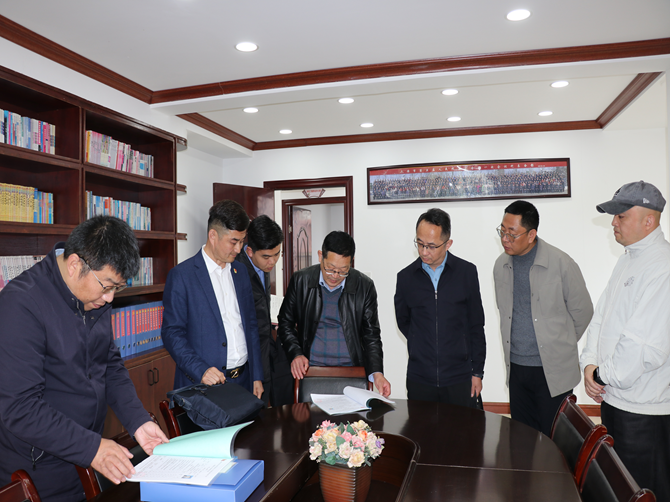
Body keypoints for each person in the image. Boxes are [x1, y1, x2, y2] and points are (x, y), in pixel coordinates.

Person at [0, 216, 168, 502]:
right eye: (107, 286)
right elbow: (20, 408)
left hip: (86, 459)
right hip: (39, 472)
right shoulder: (21, 304)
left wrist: (138, 421)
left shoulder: (93, 296)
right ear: (75, 264)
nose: (110, 298)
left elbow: (109, 365)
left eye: (117, 288)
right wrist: (92, 448)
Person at [581, 181, 670, 501]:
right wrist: (589, 363)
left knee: (643, 491)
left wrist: (601, 374)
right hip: (614, 400)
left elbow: (643, 346)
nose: (613, 222)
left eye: (621, 215)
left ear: (649, 220)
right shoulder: (628, 259)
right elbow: (601, 318)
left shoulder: (663, 265)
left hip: (643, 413)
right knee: (619, 490)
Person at [493, 200, 593, 436]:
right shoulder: (501, 266)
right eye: (502, 231)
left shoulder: (561, 263)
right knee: (522, 439)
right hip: (517, 368)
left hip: (552, 371)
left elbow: (583, 311)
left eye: (512, 233)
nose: (505, 238)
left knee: (555, 441)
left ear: (531, 234)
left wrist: (559, 343)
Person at [162, 200, 263, 398]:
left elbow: (251, 325)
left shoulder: (241, 271)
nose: (239, 249)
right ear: (213, 236)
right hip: (204, 386)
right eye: (233, 242)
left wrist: (256, 376)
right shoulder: (182, 276)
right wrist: (201, 370)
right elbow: (172, 333)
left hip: (244, 380)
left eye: (242, 241)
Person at [277, 231, 391, 397]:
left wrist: (377, 373)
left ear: (351, 262)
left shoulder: (364, 287)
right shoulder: (301, 280)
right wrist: (296, 353)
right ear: (320, 256)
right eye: (330, 269)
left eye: (343, 270)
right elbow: (285, 323)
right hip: (311, 371)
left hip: (351, 371)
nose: (335, 276)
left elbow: (371, 335)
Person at [394, 208, 486, 407]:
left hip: (460, 377)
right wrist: (422, 342)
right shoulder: (406, 278)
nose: (424, 251)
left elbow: (476, 325)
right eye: (420, 243)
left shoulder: (466, 273)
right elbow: (404, 321)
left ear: (448, 244)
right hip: (420, 378)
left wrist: (477, 372)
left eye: (431, 246)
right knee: (420, 427)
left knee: (462, 427)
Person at [236, 215, 294, 407]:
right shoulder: (237, 271)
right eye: (267, 257)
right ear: (249, 251)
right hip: (248, 357)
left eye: (277, 254)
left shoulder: (264, 266)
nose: (273, 261)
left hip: (266, 347)